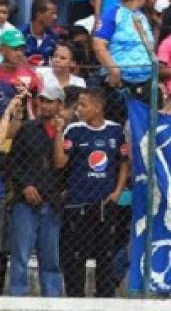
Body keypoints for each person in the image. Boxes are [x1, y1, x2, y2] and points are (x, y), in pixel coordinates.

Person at [53, 88, 127, 298]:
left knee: (105, 255)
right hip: (78, 205)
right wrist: (59, 131)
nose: (79, 109)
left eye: (83, 105)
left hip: (106, 205)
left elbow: (123, 163)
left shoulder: (115, 131)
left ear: (98, 107)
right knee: (77, 256)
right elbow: (60, 162)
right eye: (78, 104)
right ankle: (75, 299)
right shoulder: (74, 130)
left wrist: (118, 191)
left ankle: (104, 299)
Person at [7, 82, 64, 297]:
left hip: (53, 201)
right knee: (20, 256)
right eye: (42, 100)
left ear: (60, 104)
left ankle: (52, 301)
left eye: (50, 101)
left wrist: (62, 193)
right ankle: (17, 299)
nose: (44, 105)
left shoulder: (69, 131)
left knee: (50, 258)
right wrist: (25, 186)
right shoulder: (27, 129)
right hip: (25, 202)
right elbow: (13, 163)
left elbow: (64, 166)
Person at [92, 0, 155, 107]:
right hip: (120, 84)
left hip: (145, 83)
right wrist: (114, 71)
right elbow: (98, 44)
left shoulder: (141, 16)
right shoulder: (112, 13)